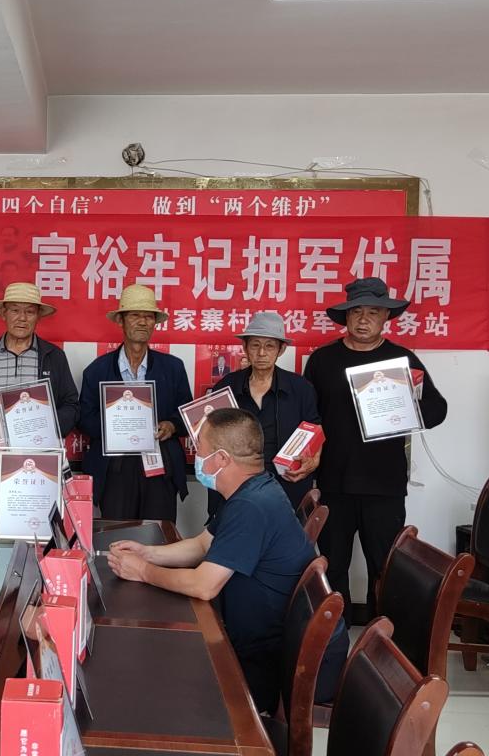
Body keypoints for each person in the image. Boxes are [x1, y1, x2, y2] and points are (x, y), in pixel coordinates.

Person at [106, 408, 347, 714]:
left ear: (221, 459)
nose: (196, 458)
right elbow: (202, 544)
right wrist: (147, 553)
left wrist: (143, 571)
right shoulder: (253, 488)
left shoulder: (252, 506)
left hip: (278, 662)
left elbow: (204, 585)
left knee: (156, 676)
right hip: (264, 640)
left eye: (200, 450)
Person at [304, 277, 447, 623]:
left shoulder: (401, 359)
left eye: (373, 312)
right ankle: (332, 637)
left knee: (384, 566)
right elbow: (308, 417)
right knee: (332, 565)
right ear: (346, 317)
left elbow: (437, 409)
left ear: (386, 317)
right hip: (334, 482)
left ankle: (380, 637)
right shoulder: (323, 360)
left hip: (384, 485)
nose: (364, 319)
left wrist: (403, 408)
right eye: (356, 312)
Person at [0, 282, 80, 513]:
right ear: (3, 313)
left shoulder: (53, 357)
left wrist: (47, 427)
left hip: (40, 472)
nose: (22, 318)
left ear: (38, 316)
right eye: (15, 310)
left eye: (29, 311)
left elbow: (71, 405)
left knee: (38, 530)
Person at [79, 284, 192, 521]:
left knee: (158, 533)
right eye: (135, 315)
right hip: (115, 467)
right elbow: (85, 419)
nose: (142, 322)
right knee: (118, 533)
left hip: (159, 463)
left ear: (155, 323)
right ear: (121, 321)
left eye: (148, 317)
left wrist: (171, 426)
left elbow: (186, 413)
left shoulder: (173, 367)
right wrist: (116, 428)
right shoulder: (97, 370)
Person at [207, 311, 321, 515]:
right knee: (236, 533)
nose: (261, 353)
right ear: (245, 348)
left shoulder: (300, 388)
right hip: (235, 486)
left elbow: (315, 430)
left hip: (286, 486)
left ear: (281, 349)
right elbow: (209, 434)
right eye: (255, 345)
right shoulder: (227, 387)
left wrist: (313, 461)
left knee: (284, 534)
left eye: (269, 346)